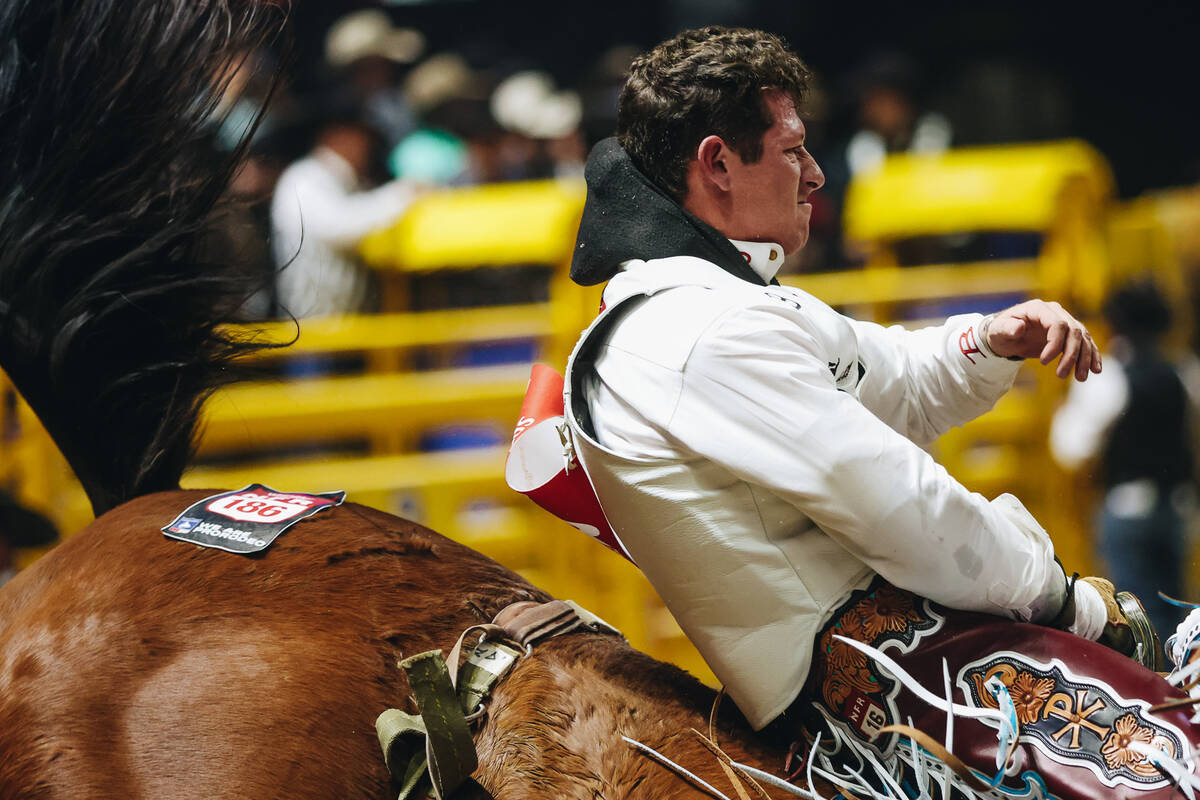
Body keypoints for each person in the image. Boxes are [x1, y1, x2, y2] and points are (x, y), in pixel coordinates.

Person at [558, 26, 1165, 793]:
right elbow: (902, 507)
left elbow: (894, 377)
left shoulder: (714, 304)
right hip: (887, 696)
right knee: (1172, 763)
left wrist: (988, 340)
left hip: (907, 658)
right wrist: (1068, 603)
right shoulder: (702, 329)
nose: (815, 175)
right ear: (717, 163)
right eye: (792, 151)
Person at [1051, 281, 1196, 639]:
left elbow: (1070, 448)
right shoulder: (1185, 372)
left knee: (1137, 614)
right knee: (1179, 608)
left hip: (1126, 505)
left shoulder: (1108, 376)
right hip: (1179, 507)